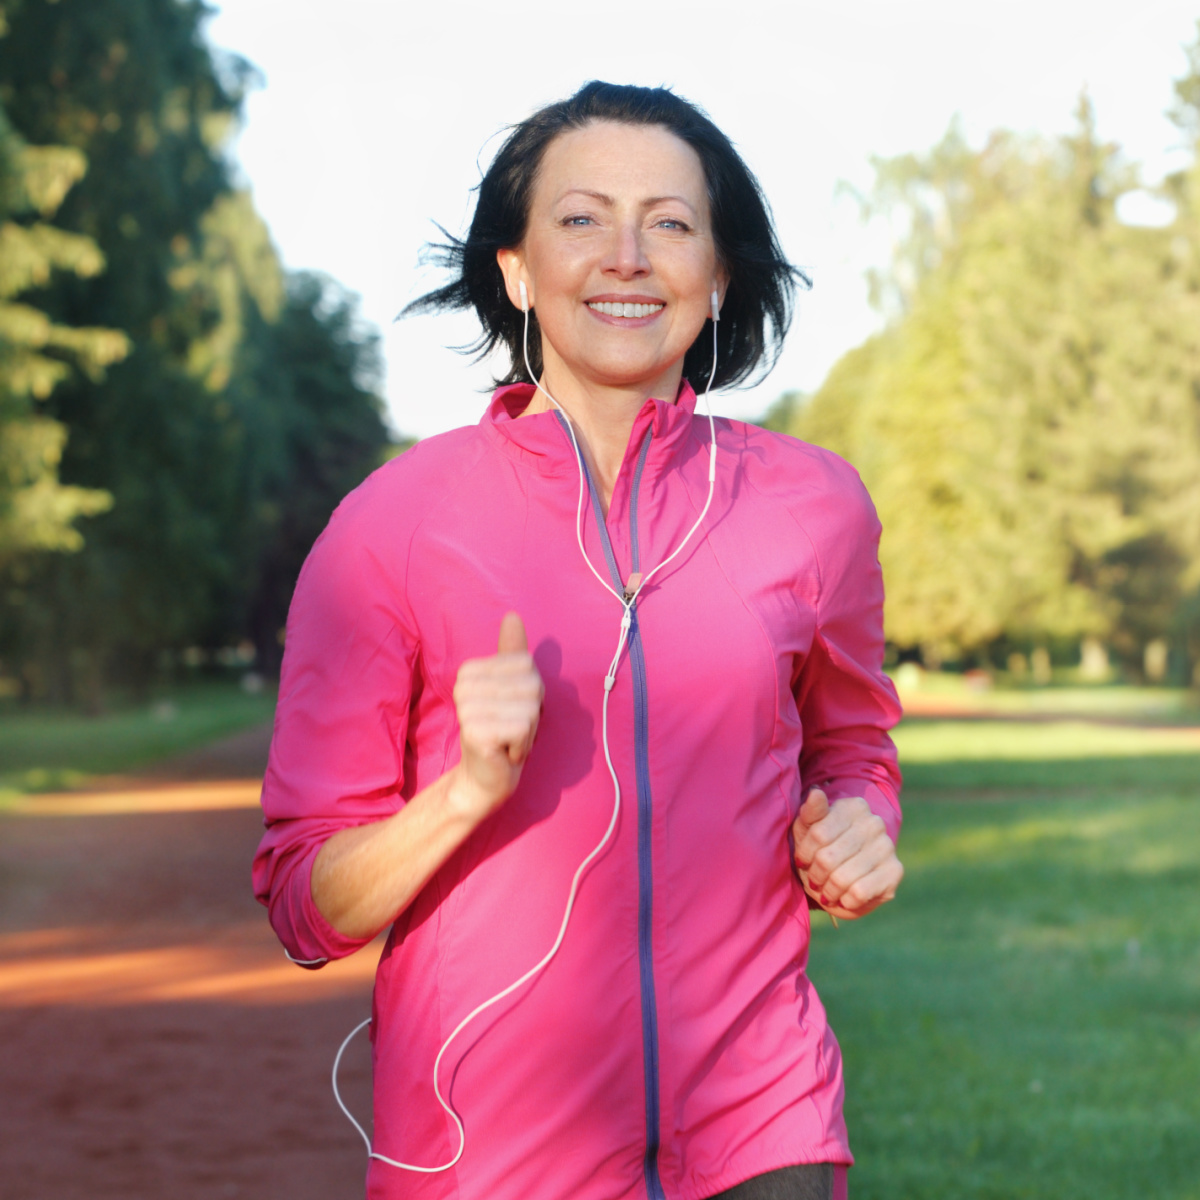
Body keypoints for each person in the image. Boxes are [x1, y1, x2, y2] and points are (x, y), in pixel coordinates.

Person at [253, 81, 904, 1200]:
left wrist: (857, 829)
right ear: (514, 270)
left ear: (719, 276)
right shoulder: (391, 530)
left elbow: (852, 754)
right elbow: (305, 903)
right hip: (486, 1155)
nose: (627, 255)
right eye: (581, 217)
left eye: (671, 222)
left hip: (767, 1129)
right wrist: (463, 794)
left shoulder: (816, 508)